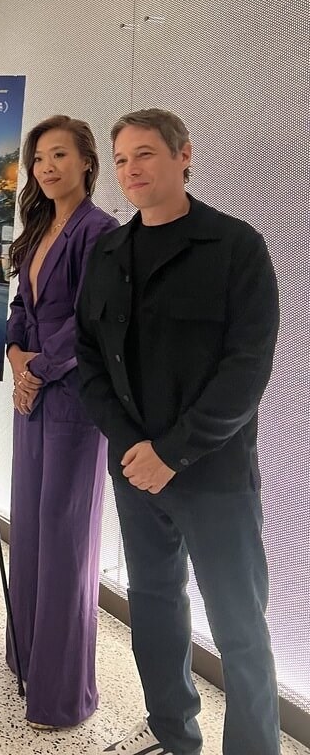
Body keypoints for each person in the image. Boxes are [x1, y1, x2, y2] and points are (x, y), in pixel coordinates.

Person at [75, 109, 280, 755]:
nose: (131, 171)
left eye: (145, 155)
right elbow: (87, 359)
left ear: (183, 155)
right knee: (157, 606)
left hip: (213, 474)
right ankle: (170, 733)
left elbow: (247, 369)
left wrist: (173, 451)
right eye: (122, 159)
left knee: (239, 626)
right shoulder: (107, 253)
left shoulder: (235, 247)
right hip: (136, 472)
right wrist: (134, 449)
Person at [4, 115, 118, 730]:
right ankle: (27, 662)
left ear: (86, 163)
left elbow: (90, 319)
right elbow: (21, 305)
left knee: (66, 538)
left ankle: (61, 693)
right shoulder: (39, 226)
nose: (47, 168)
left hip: (74, 397)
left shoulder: (101, 231)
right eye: (39, 159)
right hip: (33, 392)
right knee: (31, 529)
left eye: (58, 156)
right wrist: (20, 359)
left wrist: (40, 369)